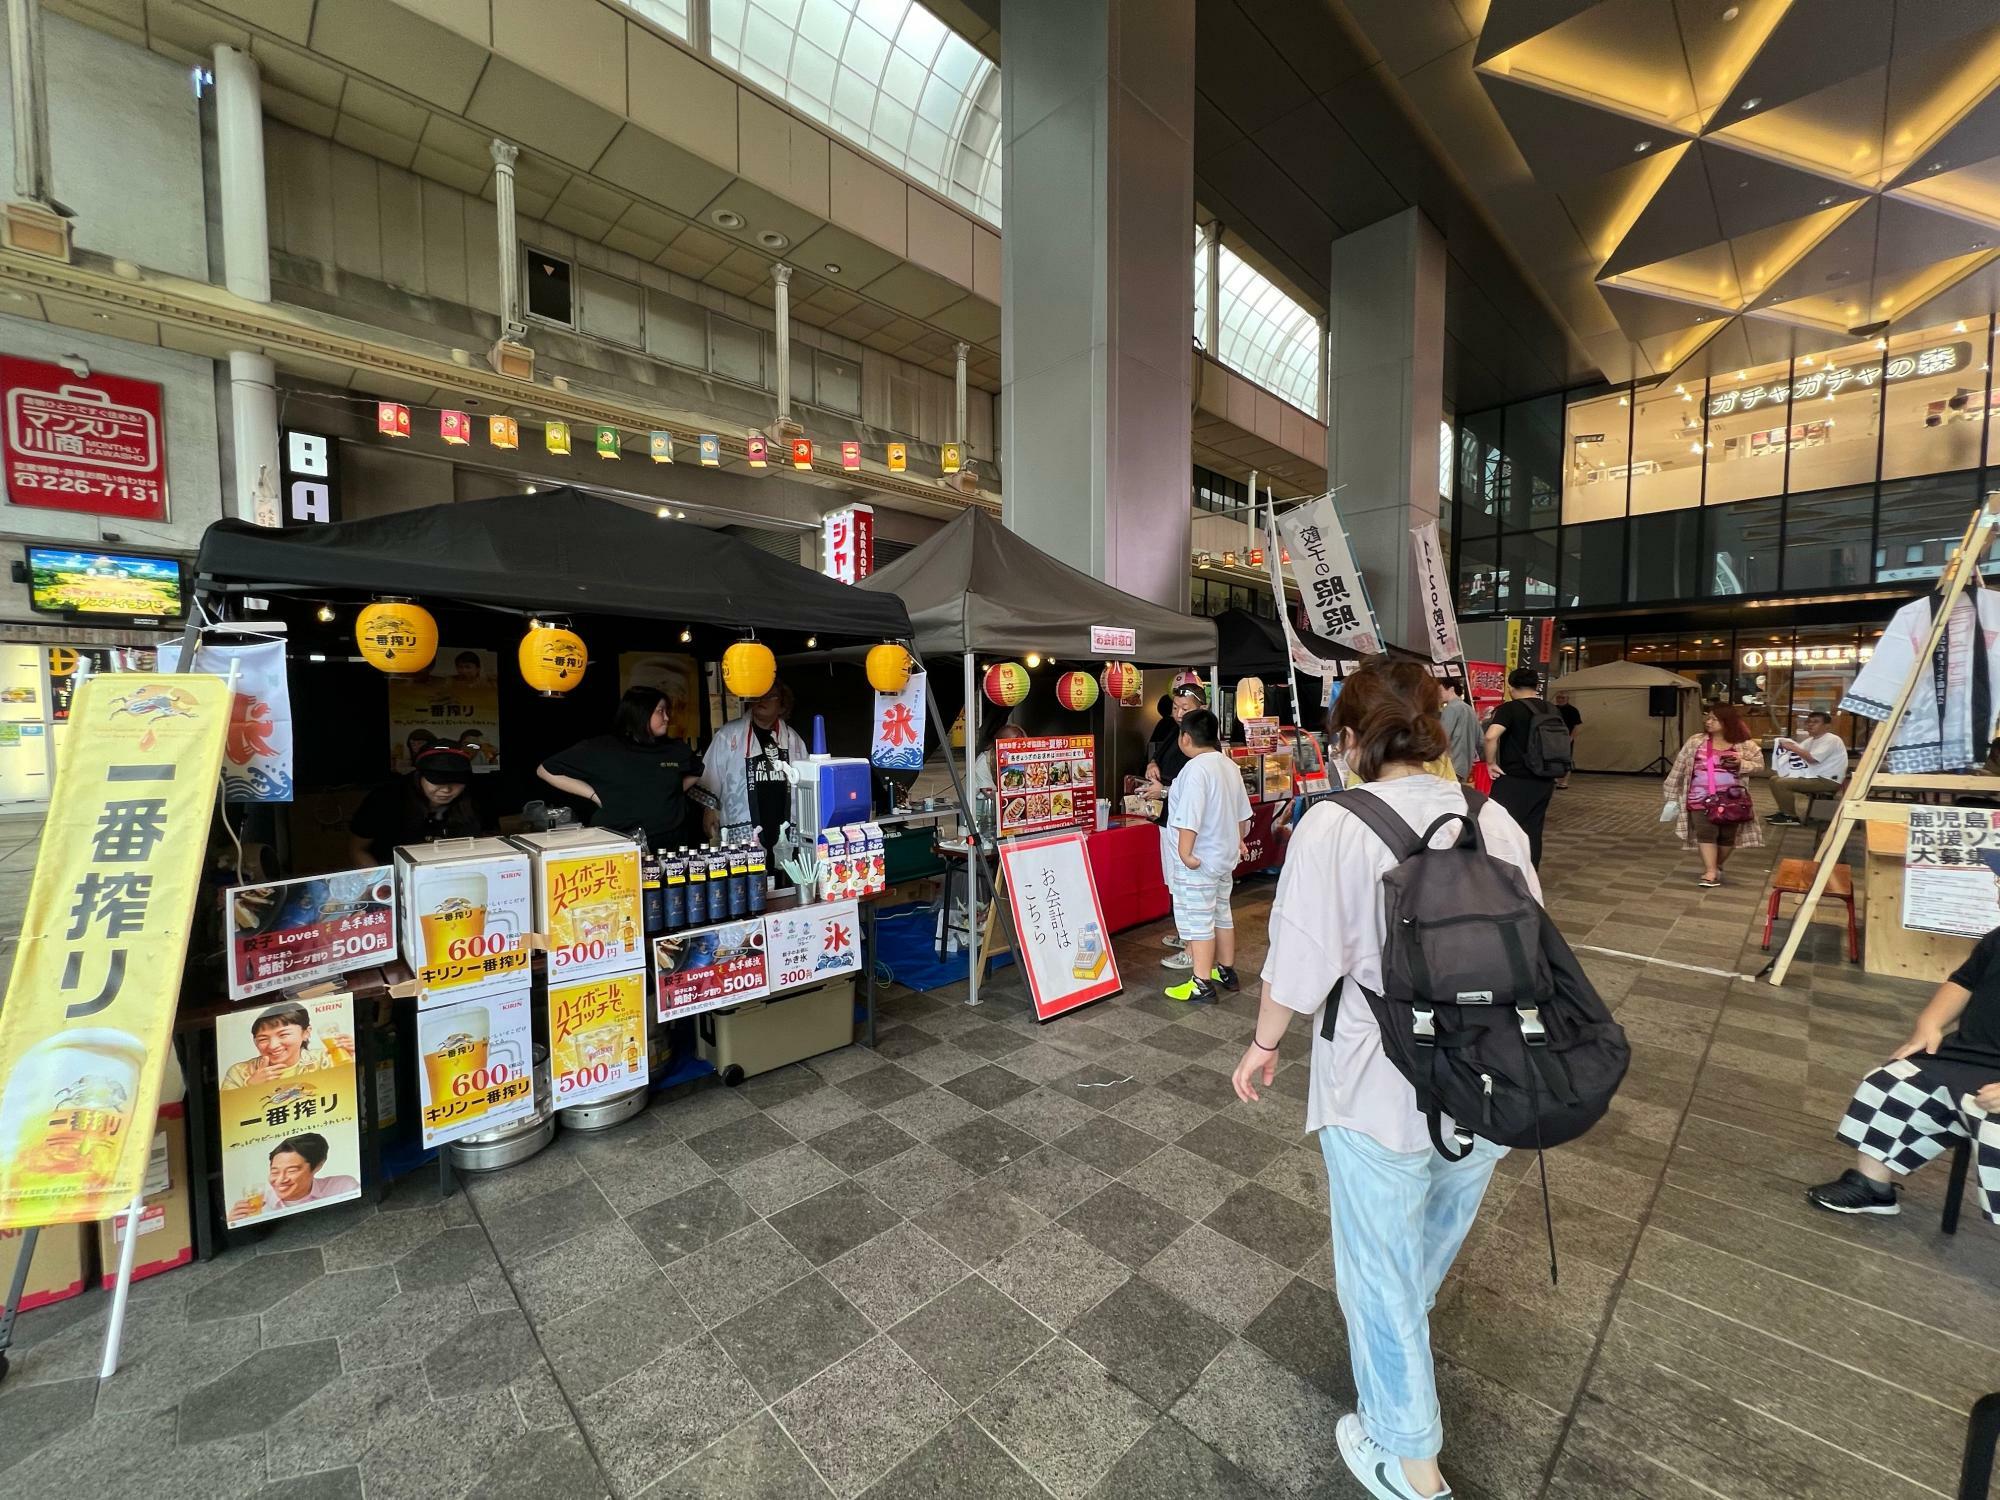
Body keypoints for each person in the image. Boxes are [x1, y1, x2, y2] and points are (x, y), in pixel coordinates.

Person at [1231, 658, 1536, 1500]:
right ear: (1437, 728)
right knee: (1420, 1249)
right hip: (1487, 1076)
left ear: (1348, 740)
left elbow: (1296, 961)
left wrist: (1263, 1046)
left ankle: (1412, 1467)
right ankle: (1399, 1346)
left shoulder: (1335, 823)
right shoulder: (1491, 817)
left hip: (1378, 1079)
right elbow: (1533, 946)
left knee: (1379, 1269)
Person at [1808, 848, 2000, 1222]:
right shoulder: (1998, 938)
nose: (1997, 889)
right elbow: (1962, 982)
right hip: (1966, 1057)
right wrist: (1929, 1023)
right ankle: (1872, 1186)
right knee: (1888, 1084)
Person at [538, 686, 703, 849]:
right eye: (660, 711)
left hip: (671, 842)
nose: (667, 717)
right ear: (641, 713)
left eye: (666, 711)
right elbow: (546, 770)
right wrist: (594, 795)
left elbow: (697, 771)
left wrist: (673, 792)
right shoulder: (604, 747)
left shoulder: (675, 749)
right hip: (618, 841)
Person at [1163, 708, 1253, 1005]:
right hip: (1224, 857)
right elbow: (1243, 814)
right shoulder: (1228, 766)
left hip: (1200, 860)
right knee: (1221, 914)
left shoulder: (1195, 770)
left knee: (1200, 920)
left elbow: (1189, 818)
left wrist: (1185, 853)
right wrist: (1239, 841)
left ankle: (1201, 982)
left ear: (1185, 738)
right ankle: (1225, 971)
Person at [697, 681, 810, 854]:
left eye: (769, 696)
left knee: (784, 873)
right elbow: (711, 773)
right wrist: (709, 809)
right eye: (758, 696)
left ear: (782, 705)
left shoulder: (793, 739)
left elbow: (805, 781)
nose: (761, 700)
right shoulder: (729, 734)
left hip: (782, 818)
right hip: (745, 819)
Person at [1662, 703, 1764, 888]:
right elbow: (1679, 766)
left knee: (1727, 837)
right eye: (1708, 718)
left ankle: (1715, 866)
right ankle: (1709, 871)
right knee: (1706, 833)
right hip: (1699, 797)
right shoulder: (1696, 741)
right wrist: (1670, 792)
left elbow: (1759, 765)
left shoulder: (1744, 745)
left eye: (1714, 719)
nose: (1708, 722)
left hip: (1732, 800)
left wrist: (1741, 763)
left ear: (1728, 721)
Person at [1147, 682, 1208, 967]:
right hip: (1169, 818)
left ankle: (1194, 951)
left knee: (1185, 884)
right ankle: (1186, 936)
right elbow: (1158, 758)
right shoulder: (1176, 733)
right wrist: (1152, 765)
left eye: (1185, 709)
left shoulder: (1200, 748)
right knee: (1174, 880)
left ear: (1202, 710)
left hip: (1187, 826)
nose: (1179, 713)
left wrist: (1163, 791)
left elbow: (1193, 792)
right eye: (1175, 708)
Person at [348, 744, 481, 866]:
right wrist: (381, 883)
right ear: (419, 776)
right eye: (436, 781)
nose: (446, 790)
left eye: (456, 782)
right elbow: (358, 849)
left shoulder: (475, 799)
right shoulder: (384, 800)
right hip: (394, 874)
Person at [1483, 668, 1564, 865]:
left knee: (1498, 827)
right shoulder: (1552, 709)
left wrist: (1490, 763)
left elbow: (1491, 736)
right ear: (1536, 686)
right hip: (1545, 778)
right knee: (1533, 830)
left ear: (1511, 687)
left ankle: (1501, 874)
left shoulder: (1510, 708)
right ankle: (1530, 876)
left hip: (1514, 779)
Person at [229, 1133, 360, 1223]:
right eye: (274, 1172)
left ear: (318, 1166)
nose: (280, 1180)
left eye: (291, 1170)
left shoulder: (342, 1187)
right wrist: (234, 1224)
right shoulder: (256, 1206)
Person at [221, 1002, 352, 1090]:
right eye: (263, 1039)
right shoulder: (239, 1072)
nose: (273, 1046)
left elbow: (345, 1093)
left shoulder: (325, 1060)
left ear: (305, 1033)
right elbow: (229, 1116)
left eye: (283, 1035)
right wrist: (251, 1086)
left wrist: (353, 1056)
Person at [1767, 710, 1847, 825]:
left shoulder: (1832, 739)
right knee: (1774, 779)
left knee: (1781, 783)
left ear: (1827, 726)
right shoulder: (1811, 740)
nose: (1810, 724)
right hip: (1812, 776)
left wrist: (1792, 748)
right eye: (1808, 722)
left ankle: (1791, 816)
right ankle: (1784, 812)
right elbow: (1797, 753)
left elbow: (1812, 759)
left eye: (1815, 722)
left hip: (1827, 780)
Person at [1439, 678, 1480, 782]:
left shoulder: (1450, 709)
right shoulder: (1470, 709)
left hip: (1450, 764)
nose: (1439, 694)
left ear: (1451, 689)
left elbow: (1442, 738)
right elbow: (1481, 740)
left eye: (1441, 690)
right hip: (1466, 765)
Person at [1553, 691, 1581, 788]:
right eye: (1558, 697)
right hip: (1553, 738)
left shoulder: (1573, 710)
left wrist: (1571, 738)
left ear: (1567, 699)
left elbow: (1576, 726)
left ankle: (1564, 781)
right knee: (1553, 758)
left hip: (1566, 738)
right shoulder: (1553, 709)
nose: (1560, 699)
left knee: (1566, 759)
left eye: (1562, 698)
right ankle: (1554, 778)